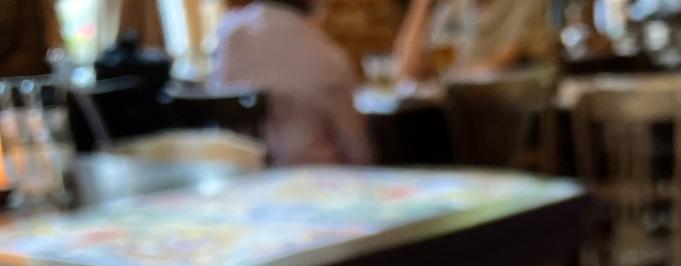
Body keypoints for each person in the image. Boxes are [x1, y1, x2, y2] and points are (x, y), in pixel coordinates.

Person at [210, 0, 371, 166]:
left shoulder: (227, 35)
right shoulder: (327, 57)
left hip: (236, 172)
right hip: (310, 174)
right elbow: (357, 150)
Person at [394, 0, 552, 80]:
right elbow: (410, 70)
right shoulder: (455, 8)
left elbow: (502, 63)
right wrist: (422, 5)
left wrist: (448, 81)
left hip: (513, 119)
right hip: (459, 118)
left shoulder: (528, 4)